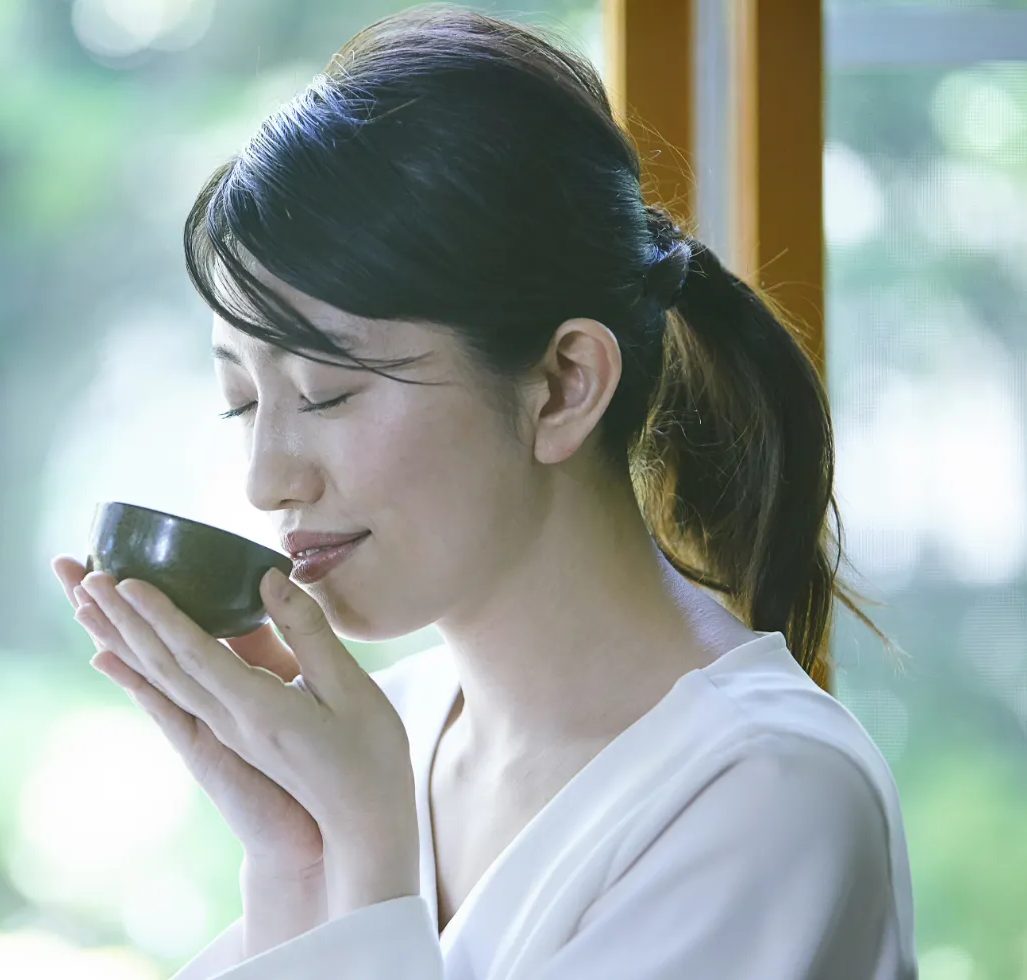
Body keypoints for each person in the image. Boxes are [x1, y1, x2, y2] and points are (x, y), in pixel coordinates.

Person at [51, 5, 916, 978]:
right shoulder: (388, 735)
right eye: (243, 401)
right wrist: (295, 856)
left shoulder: (764, 791)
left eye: (327, 392)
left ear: (560, 385)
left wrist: (371, 864)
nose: (266, 479)